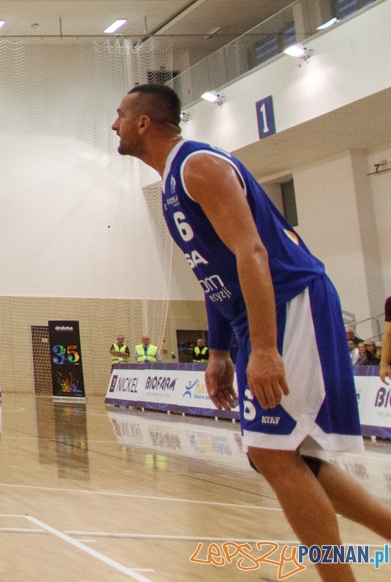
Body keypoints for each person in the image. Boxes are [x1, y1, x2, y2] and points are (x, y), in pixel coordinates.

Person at [114, 83, 391, 576]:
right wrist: (218, 351)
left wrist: (263, 347)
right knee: (278, 456)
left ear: (143, 123)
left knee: (271, 451)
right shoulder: (173, 183)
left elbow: (252, 253)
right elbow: (213, 272)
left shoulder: (198, 166)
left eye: (120, 115)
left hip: (290, 302)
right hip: (255, 315)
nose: (113, 124)